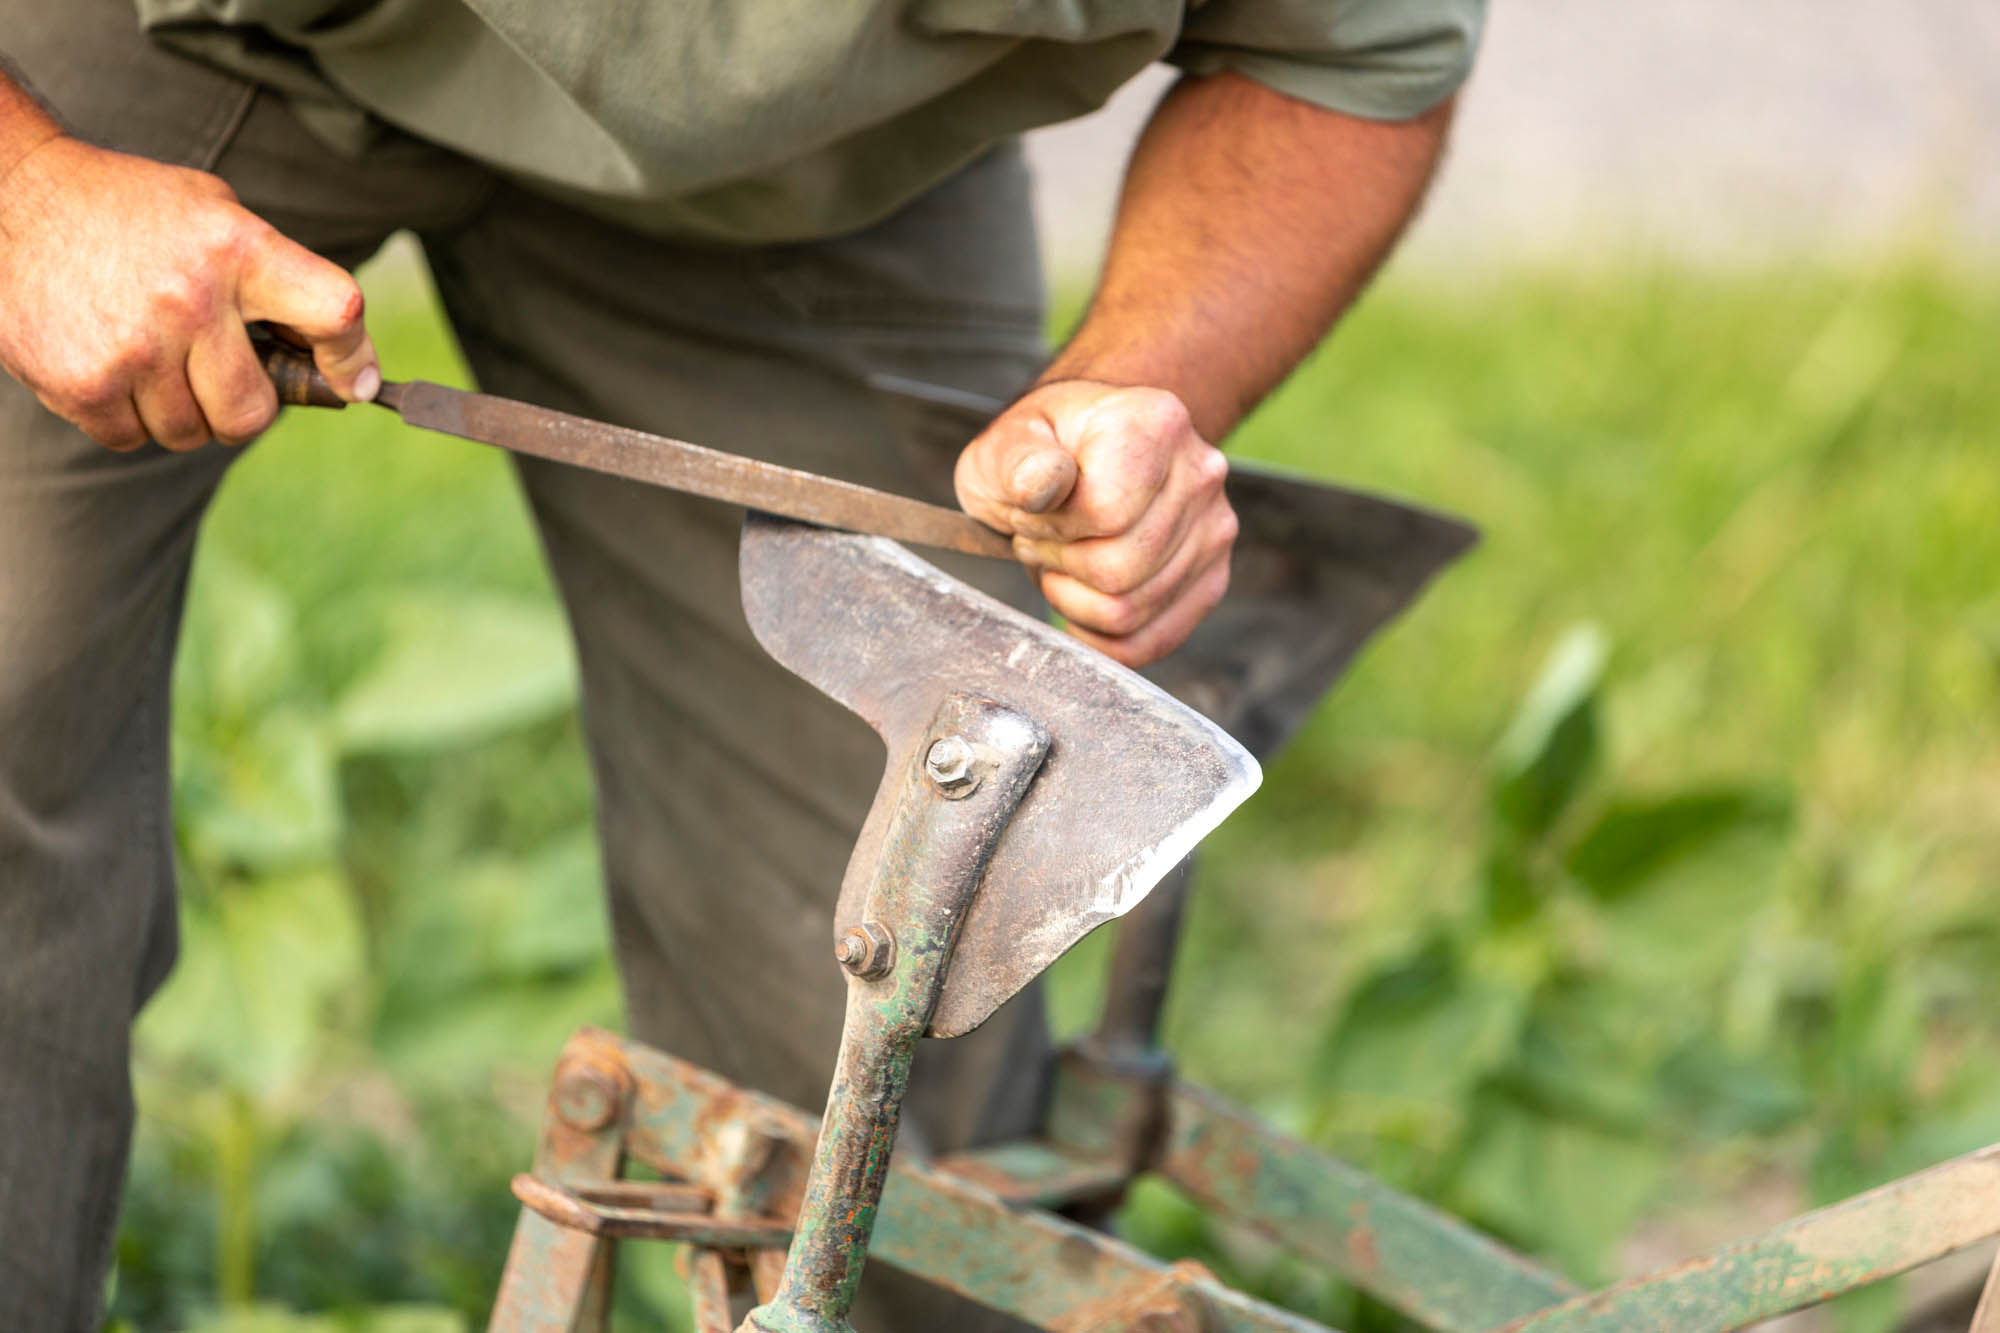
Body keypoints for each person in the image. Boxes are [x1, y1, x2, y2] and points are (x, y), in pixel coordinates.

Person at [0, 0, 1477, 1326]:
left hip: (817, 172)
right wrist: (25, 197)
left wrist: (1135, 389)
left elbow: (1350, 52)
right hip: (168, 50)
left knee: (901, 1031)